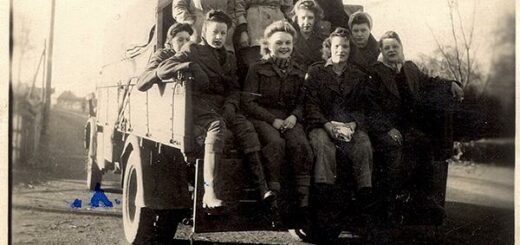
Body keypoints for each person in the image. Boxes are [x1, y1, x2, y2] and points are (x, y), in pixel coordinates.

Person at [156, 10, 274, 213]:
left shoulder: (229, 57)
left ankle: (262, 188)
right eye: (215, 32)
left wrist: (231, 105)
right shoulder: (192, 49)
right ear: (204, 31)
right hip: (200, 107)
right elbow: (162, 70)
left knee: (246, 127)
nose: (219, 37)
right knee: (217, 127)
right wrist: (190, 65)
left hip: (224, 106)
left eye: (223, 33)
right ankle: (209, 192)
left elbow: (235, 88)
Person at [367, 31, 463, 220]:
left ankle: (422, 199)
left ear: (401, 48)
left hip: (407, 128)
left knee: (424, 144)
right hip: (385, 128)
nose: (391, 50)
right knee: (396, 150)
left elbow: (430, 81)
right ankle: (389, 202)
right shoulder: (375, 72)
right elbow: (370, 106)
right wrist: (387, 128)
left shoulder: (410, 68)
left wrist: (451, 83)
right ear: (381, 51)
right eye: (387, 48)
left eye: (395, 46)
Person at [242, 20, 314, 224]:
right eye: (279, 43)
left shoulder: (299, 71)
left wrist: (294, 117)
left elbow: (302, 101)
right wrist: (272, 120)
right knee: (276, 144)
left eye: (288, 43)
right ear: (268, 45)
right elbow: (248, 102)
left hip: (289, 118)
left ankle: (302, 203)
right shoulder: (256, 68)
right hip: (263, 117)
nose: (284, 47)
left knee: (301, 145)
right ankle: (272, 201)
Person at [305, 27, 373, 204]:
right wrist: (326, 125)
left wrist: (353, 124)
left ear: (350, 50)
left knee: (363, 144)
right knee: (321, 144)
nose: (341, 50)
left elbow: (363, 106)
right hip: (322, 124)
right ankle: (324, 193)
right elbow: (310, 105)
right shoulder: (316, 72)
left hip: (349, 126)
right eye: (336, 46)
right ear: (330, 47)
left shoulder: (358, 76)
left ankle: (365, 193)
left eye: (345, 47)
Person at [234, 0, 293, 81]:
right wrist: (243, 30)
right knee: (254, 64)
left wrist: (290, 27)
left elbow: (289, 8)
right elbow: (239, 8)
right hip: (255, 25)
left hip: (277, 21)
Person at [136, 23, 193, 91]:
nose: (185, 43)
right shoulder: (162, 55)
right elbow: (141, 83)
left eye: (188, 40)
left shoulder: (192, 55)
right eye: (180, 40)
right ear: (171, 43)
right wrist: (162, 71)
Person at [172, 0, 236, 52]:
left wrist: (230, 29)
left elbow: (232, 11)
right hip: (198, 32)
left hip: (223, 35)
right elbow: (178, 6)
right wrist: (189, 22)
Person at [290, 0, 328, 70]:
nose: (306, 22)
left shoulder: (323, 40)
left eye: (310, 18)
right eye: (303, 18)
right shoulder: (290, 39)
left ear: (315, 19)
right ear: (297, 19)